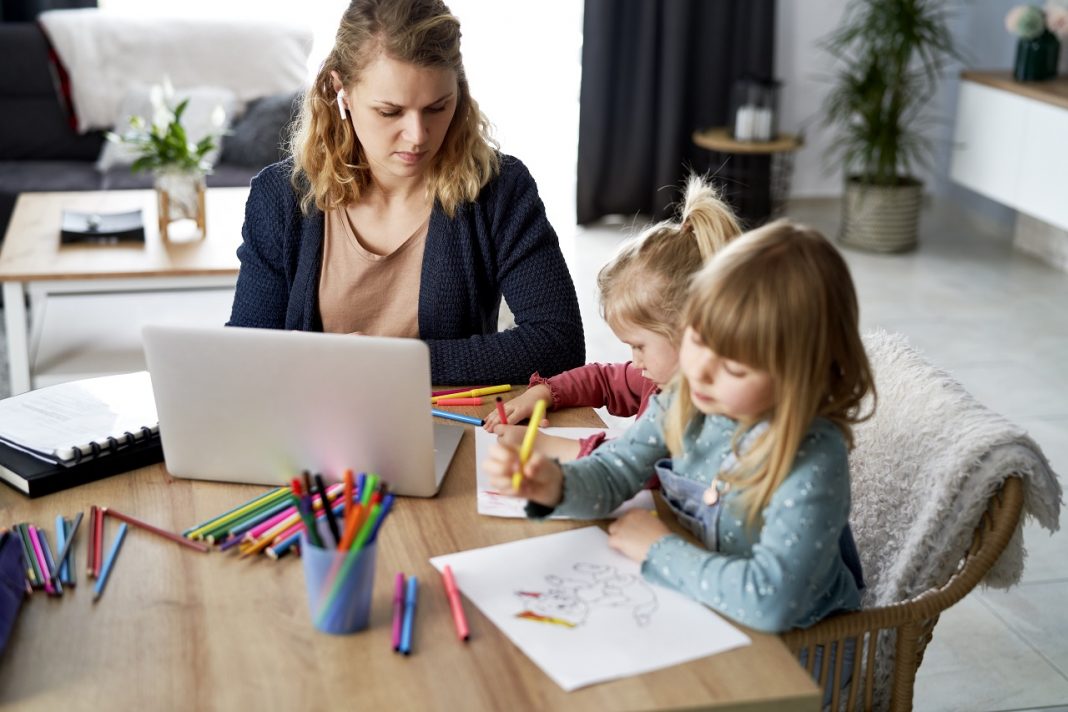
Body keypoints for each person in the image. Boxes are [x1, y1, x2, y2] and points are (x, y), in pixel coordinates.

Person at [482, 220, 874, 634]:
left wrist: (658, 548)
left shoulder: (811, 458)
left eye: (732, 368)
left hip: (807, 656)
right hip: (710, 613)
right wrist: (556, 485)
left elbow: (771, 601)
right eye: (698, 343)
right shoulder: (685, 398)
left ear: (800, 375)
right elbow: (614, 471)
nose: (699, 373)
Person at [227, 0, 585, 385]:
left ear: (459, 93)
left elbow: (559, 342)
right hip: (308, 429)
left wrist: (393, 363)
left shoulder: (498, 188)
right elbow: (249, 355)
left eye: (437, 107)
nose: (417, 137)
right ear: (340, 91)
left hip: (447, 423)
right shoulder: (279, 197)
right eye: (389, 112)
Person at [482, 175, 741, 463]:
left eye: (640, 346)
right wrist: (543, 393)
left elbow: (636, 465)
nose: (636, 361)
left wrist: (547, 446)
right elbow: (603, 379)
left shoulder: (709, 408)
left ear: (693, 331)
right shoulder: (658, 378)